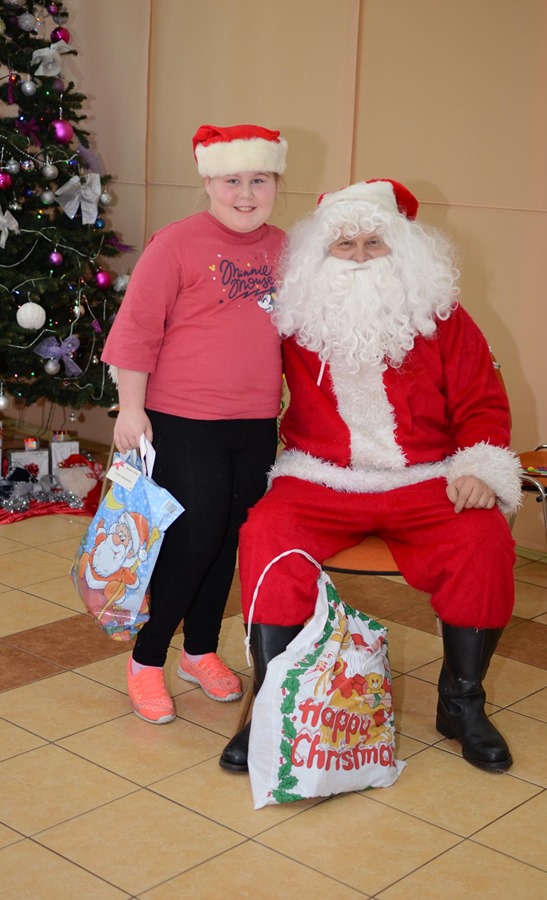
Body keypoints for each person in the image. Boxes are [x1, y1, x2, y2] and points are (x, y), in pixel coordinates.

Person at [219, 177, 522, 774]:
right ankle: (273, 702)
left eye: (374, 243)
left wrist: (481, 469)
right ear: (321, 253)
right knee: (265, 537)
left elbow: (482, 401)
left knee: (484, 541)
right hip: (318, 477)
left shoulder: (443, 319)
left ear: (401, 249)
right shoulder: (294, 315)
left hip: (427, 478)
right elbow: (228, 365)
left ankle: (461, 703)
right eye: (345, 244)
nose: (359, 257)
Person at [101, 123, 288, 724]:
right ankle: (146, 658)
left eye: (259, 180)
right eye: (232, 180)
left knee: (229, 538)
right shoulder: (176, 243)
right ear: (208, 182)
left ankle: (200, 650)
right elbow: (136, 330)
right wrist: (132, 409)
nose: (245, 194)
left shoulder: (287, 249)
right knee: (195, 538)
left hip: (255, 422)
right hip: (183, 420)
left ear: (276, 183)